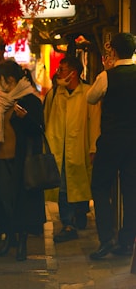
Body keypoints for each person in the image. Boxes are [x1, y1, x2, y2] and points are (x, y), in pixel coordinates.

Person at [0, 60, 46, 261]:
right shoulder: (0, 99)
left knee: (20, 201)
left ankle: (21, 241)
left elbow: (39, 129)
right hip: (0, 156)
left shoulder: (30, 100)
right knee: (4, 199)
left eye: (0, 78)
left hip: (22, 159)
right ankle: (9, 236)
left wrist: (25, 118)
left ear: (9, 79)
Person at [87, 32, 136, 260]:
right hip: (134, 142)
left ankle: (106, 239)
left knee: (100, 186)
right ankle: (127, 243)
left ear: (113, 52)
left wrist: (107, 70)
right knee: (131, 191)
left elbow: (91, 98)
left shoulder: (107, 77)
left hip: (111, 140)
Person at [44, 56, 101, 242]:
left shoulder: (88, 93)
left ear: (73, 73)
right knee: (62, 188)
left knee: (79, 185)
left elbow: (95, 123)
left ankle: (79, 214)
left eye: (62, 70)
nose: (58, 73)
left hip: (79, 148)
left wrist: (93, 147)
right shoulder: (54, 94)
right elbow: (46, 121)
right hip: (58, 149)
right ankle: (68, 223)